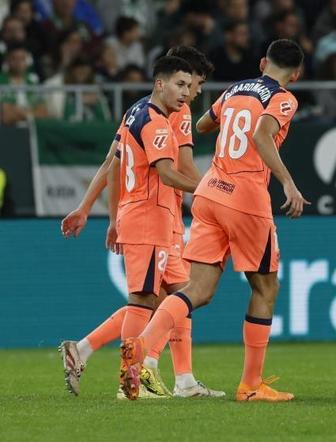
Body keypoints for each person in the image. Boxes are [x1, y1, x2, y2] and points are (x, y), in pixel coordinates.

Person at [119, 39, 309, 402]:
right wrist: (287, 181)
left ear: (262, 62)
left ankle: (142, 346)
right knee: (266, 289)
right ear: (296, 74)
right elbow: (261, 134)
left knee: (197, 291)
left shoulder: (235, 89)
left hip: (210, 193)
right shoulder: (283, 98)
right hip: (246, 198)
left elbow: (204, 124)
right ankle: (250, 386)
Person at [59, 50, 222, 399]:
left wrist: (99, 211)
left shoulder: (137, 110)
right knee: (148, 300)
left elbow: (113, 163)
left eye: (192, 85)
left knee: (178, 297)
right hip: (154, 214)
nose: (191, 92)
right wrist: (216, 191)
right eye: (188, 83)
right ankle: (132, 376)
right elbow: (174, 170)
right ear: (164, 83)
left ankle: (178, 378)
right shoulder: (168, 116)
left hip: (152, 213)